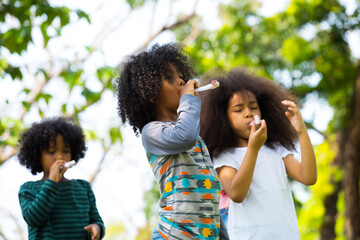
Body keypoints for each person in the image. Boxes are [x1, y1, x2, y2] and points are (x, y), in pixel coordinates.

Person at [115, 43, 228, 240]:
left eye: (180, 76)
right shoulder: (152, 132)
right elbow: (184, 135)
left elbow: (210, 193)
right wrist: (188, 100)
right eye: (169, 78)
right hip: (175, 235)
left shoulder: (195, 139)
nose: (181, 81)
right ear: (149, 92)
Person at [199, 67, 317, 240]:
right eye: (238, 110)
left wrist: (302, 133)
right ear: (223, 119)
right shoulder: (225, 157)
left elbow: (308, 177)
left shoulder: (276, 149)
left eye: (253, 107)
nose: (248, 113)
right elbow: (237, 194)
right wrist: (253, 149)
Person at [17, 117, 105, 240]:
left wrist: (97, 228)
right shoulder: (28, 189)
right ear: (37, 156)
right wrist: (52, 182)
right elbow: (34, 219)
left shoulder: (83, 188)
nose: (59, 156)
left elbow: (96, 219)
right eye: (51, 152)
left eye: (65, 151)